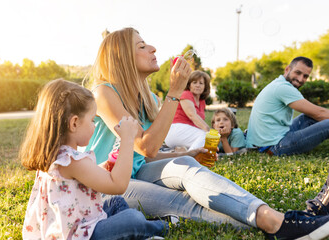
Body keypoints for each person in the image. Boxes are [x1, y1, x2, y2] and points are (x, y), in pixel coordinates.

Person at [86, 28, 329, 240]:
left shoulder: (148, 99)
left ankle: (275, 219)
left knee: (186, 163)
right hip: (108, 184)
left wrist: (190, 153)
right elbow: (144, 146)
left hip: (137, 171)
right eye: (142, 46)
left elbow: (143, 157)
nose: (152, 48)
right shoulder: (104, 92)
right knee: (182, 202)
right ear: (122, 57)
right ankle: (277, 222)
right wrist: (176, 91)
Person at [19, 79, 168, 240]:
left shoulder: (56, 156)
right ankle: (161, 227)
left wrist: (106, 165)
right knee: (132, 219)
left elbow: (85, 179)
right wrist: (127, 140)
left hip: (80, 225)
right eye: (92, 120)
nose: (94, 126)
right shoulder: (72, 161)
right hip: (82, 236)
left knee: (116, 203)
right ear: (74, 123)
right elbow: (118, 185)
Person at [246, 56, 329, 156]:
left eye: (305, 76)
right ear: (287, 69)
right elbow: (320, 114)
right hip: (274, 146)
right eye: (298, 73)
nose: (300, 79)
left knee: (308, 117)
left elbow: (315, 113)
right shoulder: (283, 88)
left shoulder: (279, 83)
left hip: (269, 139)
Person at [164, 70, 211, 151]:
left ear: (205, 86)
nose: (197, 85)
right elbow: (191, 115)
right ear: (189, 85)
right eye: (194, 82)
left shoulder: (202, 102)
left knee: (206, 140)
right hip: (176, 130)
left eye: (201, 83)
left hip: (187, 133)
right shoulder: (186, 94)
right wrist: (209, 130)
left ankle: (181, 152)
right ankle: (190, 158)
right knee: (207, 136)